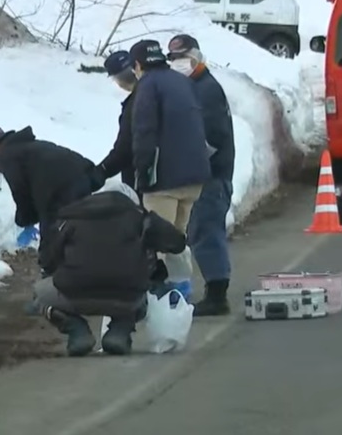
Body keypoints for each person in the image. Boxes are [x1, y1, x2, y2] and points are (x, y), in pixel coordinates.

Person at [32, 188, 188, 356]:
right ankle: (119, 331)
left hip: (74, 295)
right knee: (146, 291)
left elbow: (48, 260)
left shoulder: (71, 219)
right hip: (128, 298)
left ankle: (77, 331)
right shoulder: (140, 218)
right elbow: (177, 243)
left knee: (39, 294)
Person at [166, 34, 235, 317]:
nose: (179, 64)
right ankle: (214, 290)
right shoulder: (192, 87)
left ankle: (217, 294)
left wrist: (189, 162)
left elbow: (212, 136)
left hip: (211, 175)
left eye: (184, 58)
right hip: (203, 173)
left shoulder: (205, 90)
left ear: (197, 57)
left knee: (206, 232)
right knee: (200, 231)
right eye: (173, 59)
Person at [0, 125, 104, 268]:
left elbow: (21, 194)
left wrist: (24, 220)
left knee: (50, 252)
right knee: (78, 236)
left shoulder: (8, 157)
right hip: (81, 182)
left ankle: (56, 282)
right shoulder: (30, 146)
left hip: (57, 195)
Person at [128, 39, 211, 230]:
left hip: (164, 182)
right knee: (177, 243)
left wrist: (142, 176)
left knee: (159, 245)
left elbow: (144, 133)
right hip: (194, 177)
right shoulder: (183, 81)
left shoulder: (148, 86)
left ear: (138, 65)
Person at [95, 50, 138, 191]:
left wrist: (101, 171)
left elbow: (124, 149)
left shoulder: (136, 103)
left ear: (118, 80)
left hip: (148, 180)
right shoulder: (162, 90)